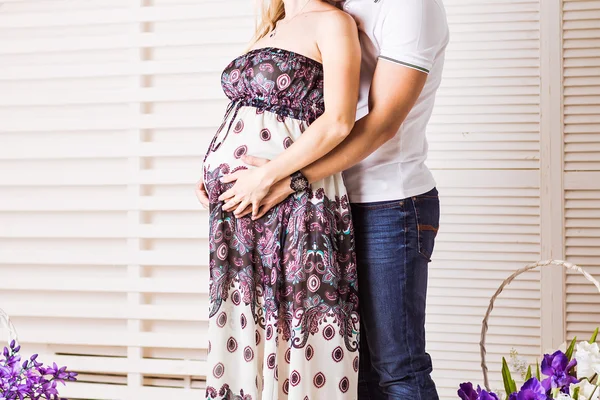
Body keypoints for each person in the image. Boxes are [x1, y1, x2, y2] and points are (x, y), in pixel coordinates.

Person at [199, 0, 451, 399]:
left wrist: (285, 179)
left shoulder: (409, 6)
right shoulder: (332, 7)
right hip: (324, 204)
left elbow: (380, 124)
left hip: (388, 202)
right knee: (352, 368)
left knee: (397, 368)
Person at [197, 0, 363, 399]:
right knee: (245, 335)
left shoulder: (334, 23)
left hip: (293, 203)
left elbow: (339, 120)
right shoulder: (271, 25)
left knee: (297, 338)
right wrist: (211, 162)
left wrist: (269, 176)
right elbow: (248, 111)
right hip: (240, 212)